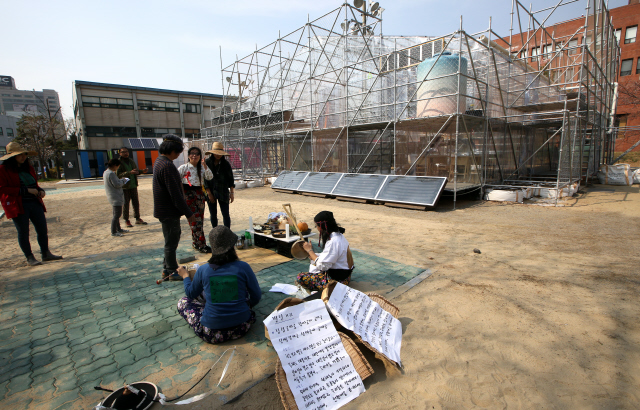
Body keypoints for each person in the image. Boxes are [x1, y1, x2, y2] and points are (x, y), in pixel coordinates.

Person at [177, 226, 261, 344]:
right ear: (232, 246)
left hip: (212, 333)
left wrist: (185, 276)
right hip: (242, 327)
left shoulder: (203, 270)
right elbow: (256, 296)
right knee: (243, 291)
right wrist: (247, 306)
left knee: (183, 302)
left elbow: (190, 293)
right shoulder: (243, 267)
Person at [0, 142, 63, 266]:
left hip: (34, 202)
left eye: (24, 154)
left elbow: (34, 184)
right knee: (23, 232)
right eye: (20, 155)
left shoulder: (28, 168)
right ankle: (29, 257)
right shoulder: (3, 170)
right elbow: (2, 189)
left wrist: (40, 190)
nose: (23, 157)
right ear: (12, 156)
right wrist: (25, 191)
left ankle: (45, 253)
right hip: (18, 204)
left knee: (42, 229)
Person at [152, 134, 196, 281]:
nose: (178, 155)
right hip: (168, 210)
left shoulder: (159, 161)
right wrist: (188, 213)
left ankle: (167, 268)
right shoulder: (167, 166)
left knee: (171, 239)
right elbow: (175, 194)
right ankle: (171, 271)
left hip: (164, 210)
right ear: (171, 150)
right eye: (177, 152)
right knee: (171, 241)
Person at [296, 211, 354, 292]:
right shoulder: (339, 236)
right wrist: (314, 255)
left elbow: (323, 266)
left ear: (322, 227)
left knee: (300, 277)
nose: (317, 228)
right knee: (314, 262)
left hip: (337, 282)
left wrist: (309, 251)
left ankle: (326, 287)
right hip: (346, 277)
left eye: (316, 226)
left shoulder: (333, 241)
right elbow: (331, 256)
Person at [178, 146, 214, 253]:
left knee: (199, 220)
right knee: (194, 221)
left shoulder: (202, 168)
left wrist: (205, 166)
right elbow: (176, 180)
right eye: (192, 153)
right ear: (188, 155)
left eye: (197, 154)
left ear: (200, 156)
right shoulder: (183, 168)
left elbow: (210, 177)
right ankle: (201, 244)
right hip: (188, 196)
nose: (194, 155)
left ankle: (196, 243)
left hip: (199, 195)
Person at [204, 142, 235, 228]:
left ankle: (227, 232)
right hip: (210, 190)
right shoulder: (207, 163)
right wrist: (209, 194)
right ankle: (215, 231)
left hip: (223, 190)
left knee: (226, 214)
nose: (218, 155)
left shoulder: (226, 164)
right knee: (213, 214)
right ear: (212, 153)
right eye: (216, 153)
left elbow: (230, 179)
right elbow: (204, 179)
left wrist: (232, 193)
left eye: (220, 153)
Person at [116, 147, 147, 228]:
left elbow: (135, 171)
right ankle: (126, 220)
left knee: (136, 203)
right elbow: (118, 175)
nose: (126, 153)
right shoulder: (119, 163)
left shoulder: (131, 161)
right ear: (120, 153)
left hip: (133, 185)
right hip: (125, 187)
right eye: (123, 152)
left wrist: (142, 171)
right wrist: (129, 172)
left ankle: (137, 218)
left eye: (127, 151)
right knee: (126, 203)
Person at [103, 158, 129, 237]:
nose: (118, 168)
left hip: (112, 196)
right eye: (118, 166)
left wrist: (120, 180)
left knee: (116, 214)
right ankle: (114, 231)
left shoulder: (106, 172)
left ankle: (119, 229)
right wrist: (123, 180)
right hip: (115, 196)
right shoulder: (111, 173)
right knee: (117, 215)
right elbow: (117, 184)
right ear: (115, 165)